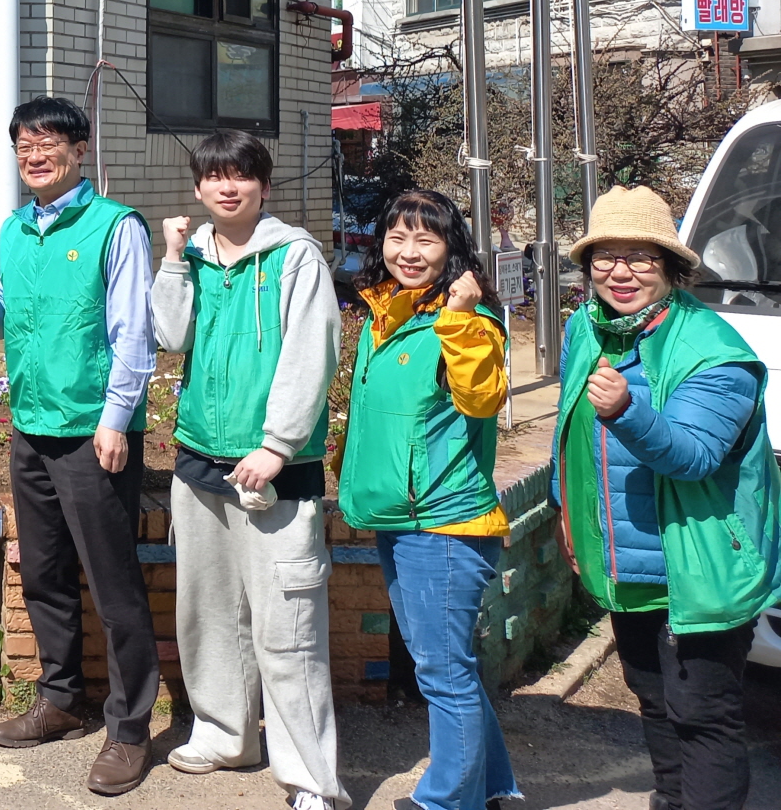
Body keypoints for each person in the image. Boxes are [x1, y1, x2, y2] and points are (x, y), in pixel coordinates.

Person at [0, 95, 158, 799]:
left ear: (79, 149)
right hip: (32, 426)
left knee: (113, 583)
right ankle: (61, 699)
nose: (35, 156)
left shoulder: (115, 227)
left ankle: (130, 730)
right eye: (24, 146)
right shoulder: (14, 230)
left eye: (48, 143)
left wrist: (116, 420)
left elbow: (133, 333)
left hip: (94, 431)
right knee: (43, 573)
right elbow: (3, 320)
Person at [555, 186, 781, 810]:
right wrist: (565, 510)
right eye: (606, 255)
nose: (620, 271)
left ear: (672, 266)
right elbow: (568, 433)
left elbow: (695, 456)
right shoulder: (586, 327)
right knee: (653, 699)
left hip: (701, 563)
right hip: (628, 561)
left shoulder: (715, 351)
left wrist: (626, 412)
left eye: (640, 256)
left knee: (703, 715)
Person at [153, 131, 347, 810]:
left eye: (240, 176)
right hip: (199, 461)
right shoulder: (195, 256)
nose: (227, 187)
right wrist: (172, 260)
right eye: (214, 176)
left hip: (273, 470)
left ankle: (311, 779)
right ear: (198, 187)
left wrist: (278, 444)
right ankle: (224, 735)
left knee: (287, 629)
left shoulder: (295, 256)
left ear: (264, 185)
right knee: (209, 614)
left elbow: (312, 352)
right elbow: (170, 337)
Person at [338, 189, 518, 810]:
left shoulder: (470, 319)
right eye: (397, 237)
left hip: (445, 521)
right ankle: (487, 787)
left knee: (442, 672)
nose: (409, 252)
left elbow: (482, 399)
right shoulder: (386, 315)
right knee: (444, 665)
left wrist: (461, 318)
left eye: (426, 239)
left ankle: (444, 801)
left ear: (452, 248)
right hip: (400, 516)